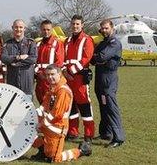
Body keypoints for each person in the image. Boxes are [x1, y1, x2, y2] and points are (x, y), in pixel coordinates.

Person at [31, 64, 92, 163]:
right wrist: (32, 117)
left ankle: (82, 150)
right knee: (26, 130)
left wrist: (41, 124)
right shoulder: (53, 87)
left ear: (59, 74)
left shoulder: (63, 91)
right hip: (48, 124)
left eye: (52, 74)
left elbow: (57, 114)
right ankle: (43, 150)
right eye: (47, 75)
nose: (49, 77)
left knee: (55, 159)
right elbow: (44, 106)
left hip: (58, 127)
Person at [91, 19, 125, 148]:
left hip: (109, 79)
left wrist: (99, 58)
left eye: (106, 28)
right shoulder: (102, 43)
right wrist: (98, 58)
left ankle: (119, 137)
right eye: (102, 28)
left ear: (112, 28)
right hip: (100, 79)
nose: (104, 30)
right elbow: (94, 59)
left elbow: (101, 57)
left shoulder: (114, 43)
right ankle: (106, 133)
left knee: (111, 107)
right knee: (103, 107)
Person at [62, 14, 95, 142]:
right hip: (68, 78)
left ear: (82, 25)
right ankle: (73, 132)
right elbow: (63, 58)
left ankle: (89, 134)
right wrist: (65, 71)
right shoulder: (67, 40)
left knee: (84, 105)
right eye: (73, 24)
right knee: (71, 106)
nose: (75, 26)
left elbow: (86, 58)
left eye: (77, 24)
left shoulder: (87, 39)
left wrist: (70, 71)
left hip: (80, 78)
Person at [1, 19, 37, 98]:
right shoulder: (7, 44)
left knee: (26, 109)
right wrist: (18, 57)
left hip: (26, 84)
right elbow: (4, 58)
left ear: (24, 28)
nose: (18, 29)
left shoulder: (31, 43)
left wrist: (14, 62)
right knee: (12, 109)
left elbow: (33, 59)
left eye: (21, 27)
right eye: (16, 27)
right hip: (12, 84)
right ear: (12, 28)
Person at [35, 19, 64, 104]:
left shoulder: (57, 43)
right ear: (41, 30)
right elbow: (34, 61)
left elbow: (59, 62)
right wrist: (38, 72)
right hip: (40, 80)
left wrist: (48, 74)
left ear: (52, 30)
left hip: (51, 80)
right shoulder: (38, 44)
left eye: (48, 29)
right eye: (44, 29)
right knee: (42, 104)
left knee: (53, 105)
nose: (46, 32)